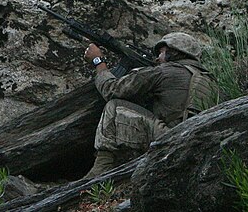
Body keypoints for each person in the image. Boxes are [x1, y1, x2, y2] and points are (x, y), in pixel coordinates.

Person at [82, 32, 218, 179]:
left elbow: (112, 90)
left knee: (114, 106)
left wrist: (98, 61)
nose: (157, 58)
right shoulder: (210, 81)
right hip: (194, 143)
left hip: (172, 140)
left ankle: (102, 167)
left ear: (174, 53)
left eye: (161, 53)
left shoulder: (164, 72)